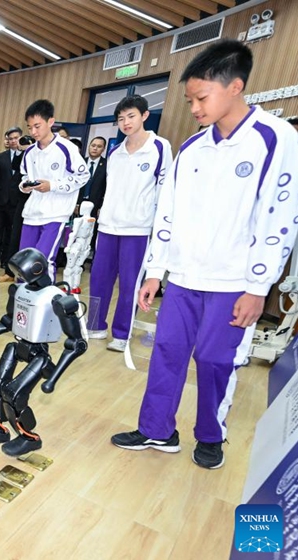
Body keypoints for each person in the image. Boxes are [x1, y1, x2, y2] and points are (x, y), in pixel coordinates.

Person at [111, 40, 298, 470]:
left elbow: (279, 219)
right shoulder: (192, 149)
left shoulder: (275, 138)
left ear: (235, 86)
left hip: (234, 282)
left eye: (201, 97)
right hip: (183, 278)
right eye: (189, 100)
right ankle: (157, 429)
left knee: (216, 361)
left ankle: (211, 434)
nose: (194, 107)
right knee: (167, 354)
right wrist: (156, 271)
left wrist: (257, 288)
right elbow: (168, 212)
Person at [87, 96, 172, 352]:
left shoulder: (160, 147)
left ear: (144, 116)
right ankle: (94, 325)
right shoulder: (115, 151)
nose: (126, 122)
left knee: (130, 284)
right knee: (99, 280)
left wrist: (159, 228)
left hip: (138, 229)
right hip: (108, 228)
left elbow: (164, 191)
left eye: (131, 116)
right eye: (121, 118)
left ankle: (122, 333)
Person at [18, 100, 89, 280]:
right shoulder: (29, 152)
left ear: (51, 122)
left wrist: (52, 185)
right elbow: (24, 176)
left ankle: (46, 303)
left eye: (37, 126)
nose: (33, 132)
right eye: (29, 127)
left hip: (55, 214)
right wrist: (24, 186)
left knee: (42, 261)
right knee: (24, 262)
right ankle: (24, 304)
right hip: (32, 213)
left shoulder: (67, 148)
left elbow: (83, 176)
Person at [0, 128, 24, 273]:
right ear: (7, 140)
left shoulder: (26, 156)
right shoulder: (0, 157)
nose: (13, 141)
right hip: (0, 200)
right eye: (10, 138)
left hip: (16, 201)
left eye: (16, 138)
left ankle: (6, 260)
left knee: (11, 233)